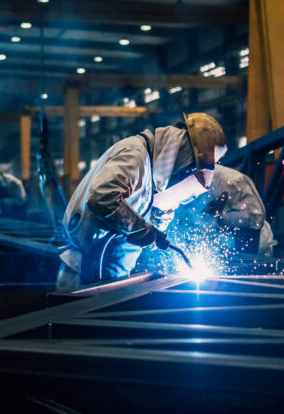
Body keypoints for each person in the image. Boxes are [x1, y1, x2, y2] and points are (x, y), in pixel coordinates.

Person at [56, 112, 227, 291]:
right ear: (185, 149)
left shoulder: (148, 171)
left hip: (106, 276)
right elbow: (103, 198)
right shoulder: (135, 155)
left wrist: (161, 215)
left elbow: (134, 213)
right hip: (86, 275)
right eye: (192, 164)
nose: (186, 171)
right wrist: (142, 229)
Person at [206, 165, 275, 256]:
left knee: (243, 267)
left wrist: (218, 220)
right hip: (217, 244)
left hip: (254, 244)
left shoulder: (231, 181)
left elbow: (255, 217)